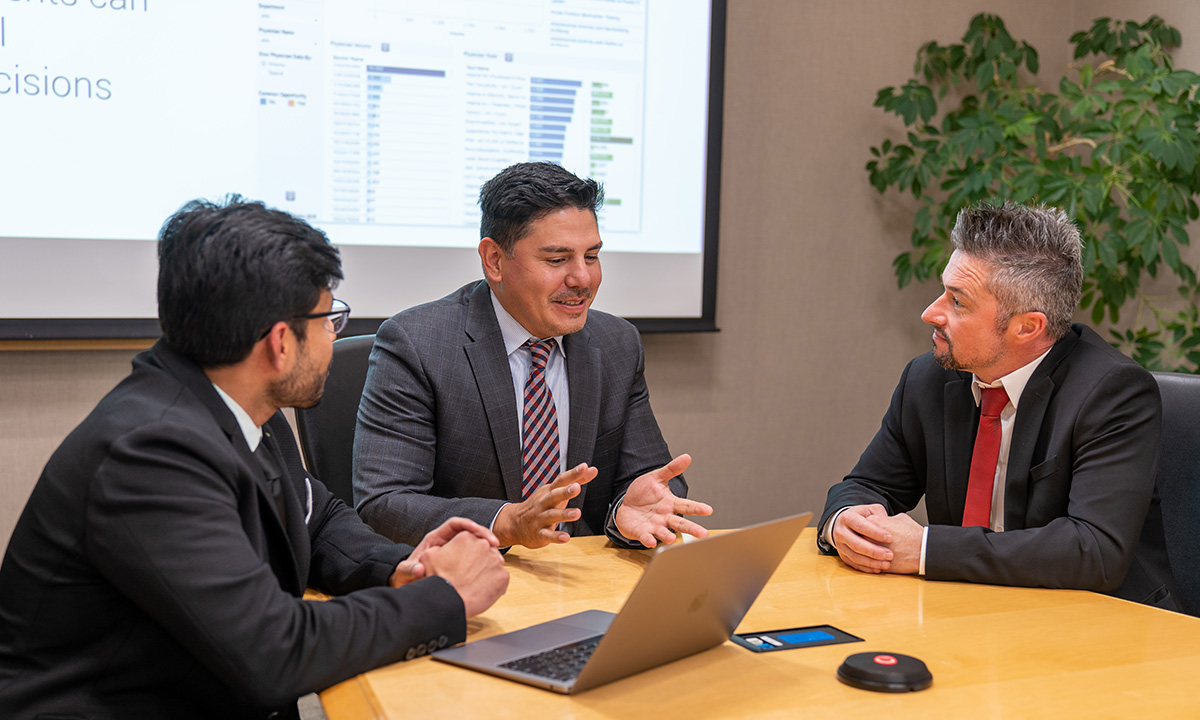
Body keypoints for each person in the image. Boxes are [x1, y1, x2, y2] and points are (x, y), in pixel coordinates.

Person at [0, 198, 510, 720]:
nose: (333, 338)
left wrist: (405, 568)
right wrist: (442, 597)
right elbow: (274, 653)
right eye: (329, 320)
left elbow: (318, 518)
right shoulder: (150, 454)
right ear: (280, 343)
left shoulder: (235, 401)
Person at [818, 201, 1177, 609]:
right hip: (969, 616)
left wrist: (925, 549)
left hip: (1105, 628)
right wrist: (843, 522)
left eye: (958, 302)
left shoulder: (1114, 392)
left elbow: (1094, 550)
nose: (930, 313)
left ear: (1027, 327)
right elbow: (868, 485)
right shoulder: (929, 379)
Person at [354, 162, 712, 550]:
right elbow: (385, 503)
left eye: (591, 256)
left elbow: (650, 479)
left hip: (579, 584)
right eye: (557, 260)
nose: (582, 279)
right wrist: (506, 522)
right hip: (460, 582)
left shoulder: (616, 344)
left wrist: (629, 508)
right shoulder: (418, 344)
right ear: (494, 260)